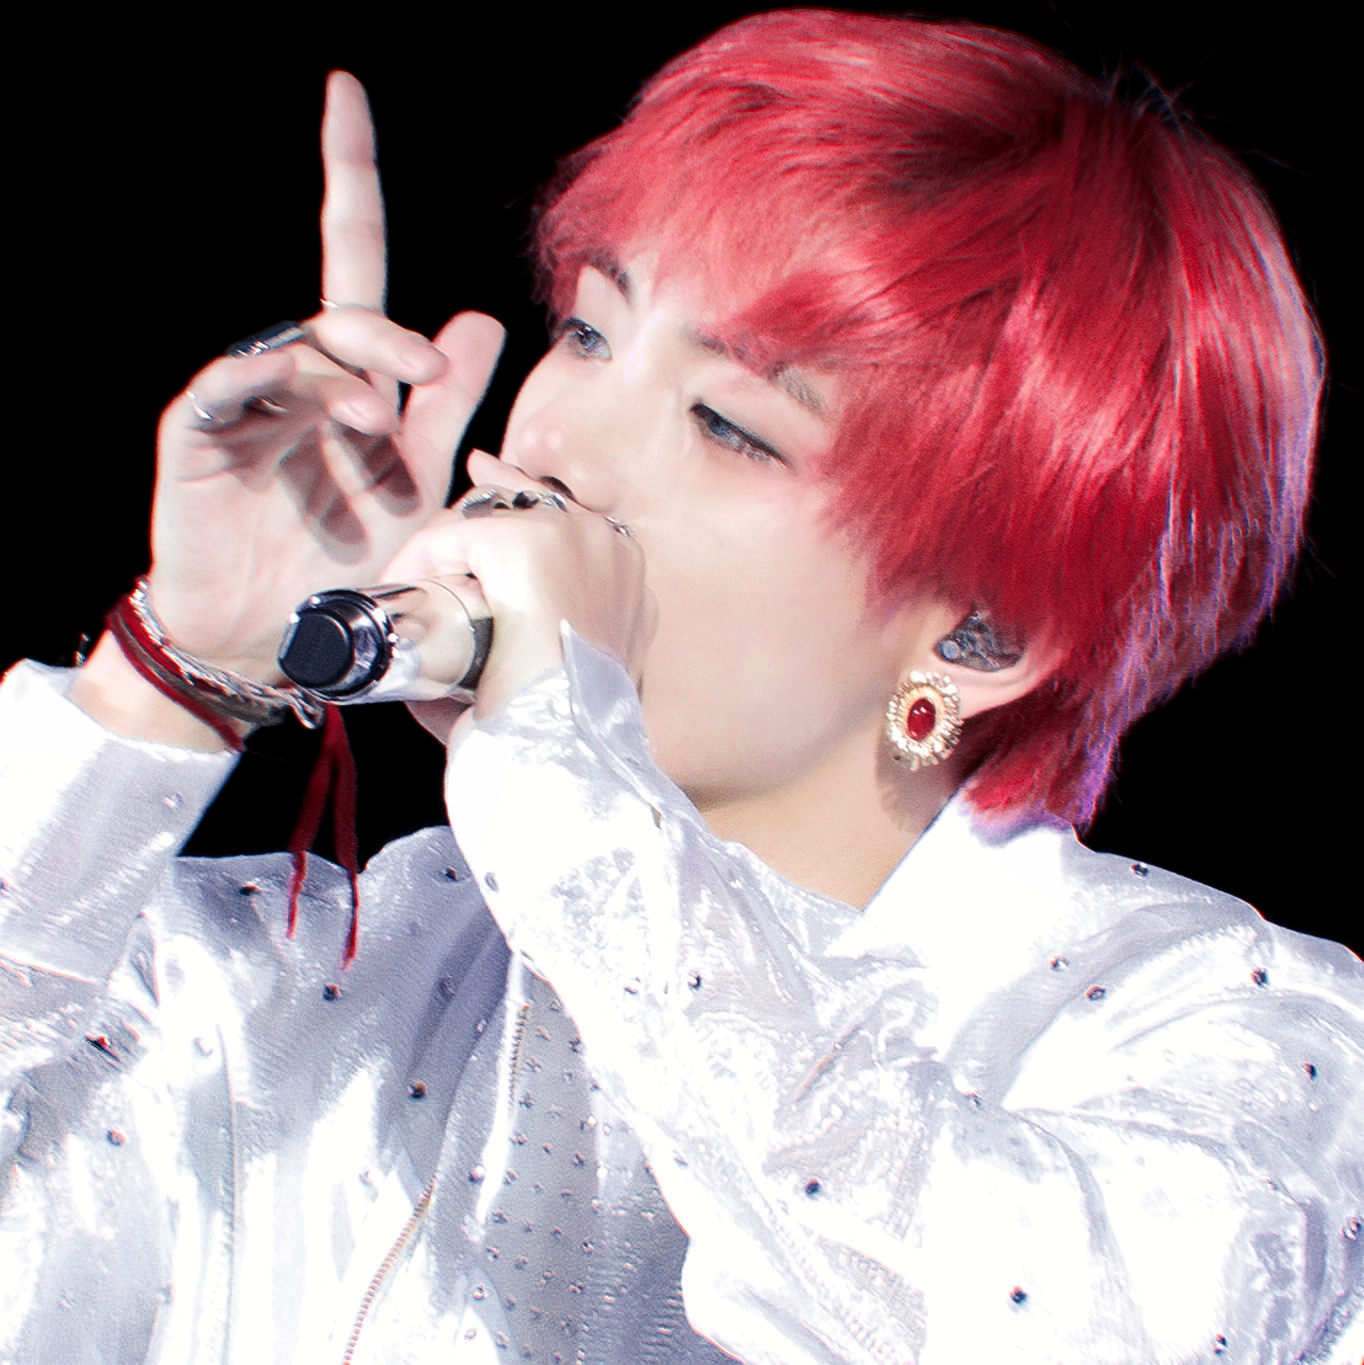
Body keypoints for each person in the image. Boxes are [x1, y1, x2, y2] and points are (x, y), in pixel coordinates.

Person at [1, 9, 1360, 1363]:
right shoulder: (347, 972)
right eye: (588, 334)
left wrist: (567, 778)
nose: (553, 443)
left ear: (983, 635)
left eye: (728, 424)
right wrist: (170, 679)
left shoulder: (1231, 1032)